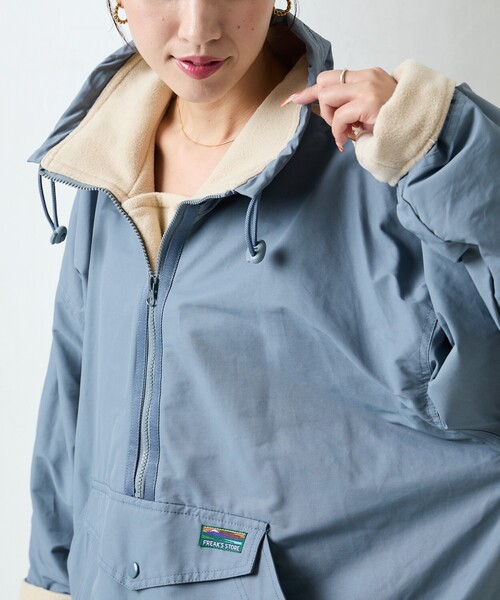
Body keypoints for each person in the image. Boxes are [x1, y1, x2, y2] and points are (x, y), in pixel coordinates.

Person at [20, 0, 500, 599]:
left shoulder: (379, 165)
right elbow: (72, 394)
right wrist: (51, 578)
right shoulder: (104, 165)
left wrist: (447, 140)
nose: (198, 28)